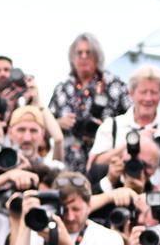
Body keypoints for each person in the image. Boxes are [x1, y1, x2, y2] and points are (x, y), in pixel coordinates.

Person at [49, 33, 131, 173]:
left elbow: (131, 119)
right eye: (79, 53)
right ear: (72, 58)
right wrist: (58, 123)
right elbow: (45, 124)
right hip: (69, 164)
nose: (83, 57)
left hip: (105, 163)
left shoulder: (114, 85)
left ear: (97, 56)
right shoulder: (62, 89)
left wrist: (107, 126)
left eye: (89, 53)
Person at [90, 65, 160, 169]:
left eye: (154, 92)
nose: (148, 98)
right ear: (131, 93)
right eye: (143, 92)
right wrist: (132, 142)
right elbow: (94, 165)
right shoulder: (111, 126)